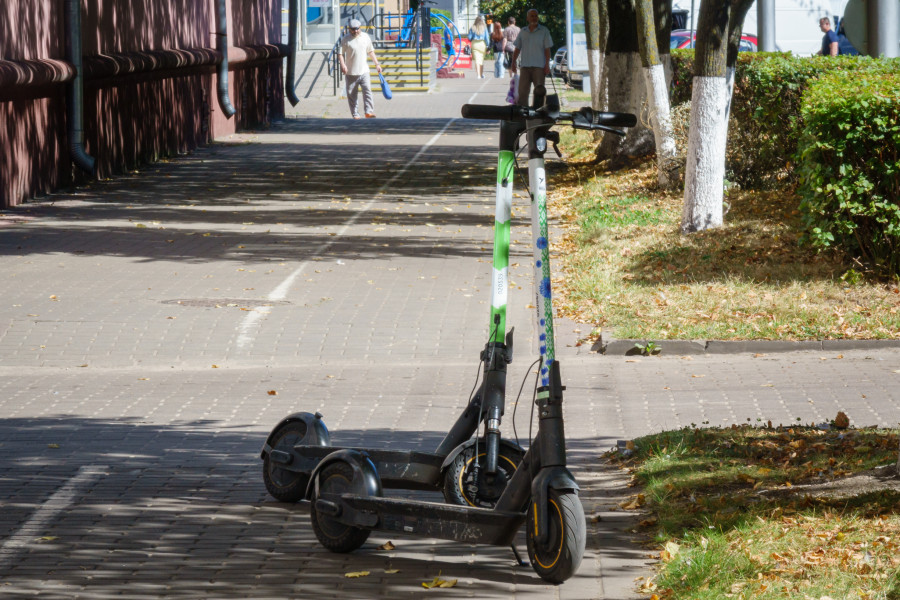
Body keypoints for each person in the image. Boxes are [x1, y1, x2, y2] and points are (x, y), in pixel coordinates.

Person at [339, 19, 382, 119]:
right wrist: (343, 65)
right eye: (353, 29)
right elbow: (340, 53)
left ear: (360, 28)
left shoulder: (365, 37)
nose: (355, 31)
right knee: (352, 95)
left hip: (364, 71)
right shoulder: (346, 39)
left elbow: (370, 51)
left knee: (367, 91)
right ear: (349, 29)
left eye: (357, 29)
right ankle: (355, 114)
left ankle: (369, 112)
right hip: (351, 72)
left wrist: (377, 64)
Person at [510, 9, 552, 107]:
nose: (534, 18)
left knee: (539, 93)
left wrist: (547, 64)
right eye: (532, 16)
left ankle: (538, 114)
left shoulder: (544, 31)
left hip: (539, 68)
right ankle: (523, 115)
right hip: (525, 67)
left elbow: (547, 49)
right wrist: (513, 62)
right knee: (523, 93)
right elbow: (517, 48)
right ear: (527, 18)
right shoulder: (523, 31)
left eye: (535, 16)